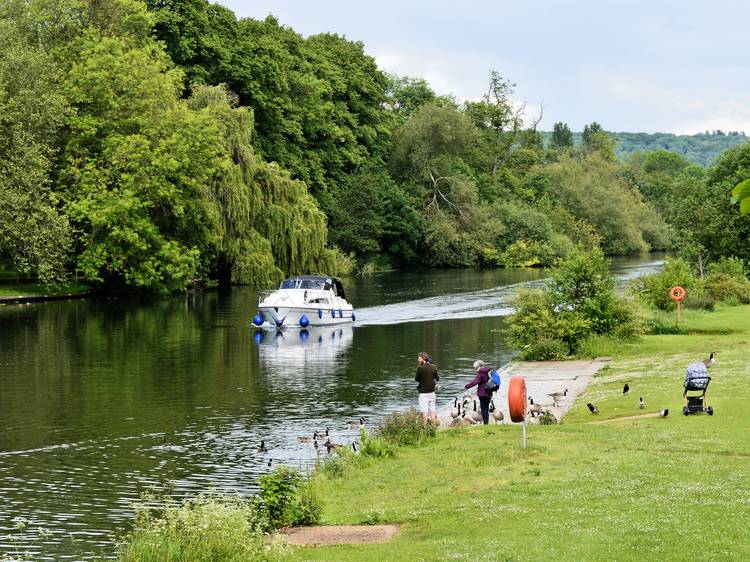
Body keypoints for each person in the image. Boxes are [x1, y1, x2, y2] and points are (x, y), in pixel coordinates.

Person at [465, 360, 493, 424]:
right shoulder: (488, 371)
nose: (476, 370)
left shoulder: (481, 373)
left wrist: (467, 386)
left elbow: (475, 382)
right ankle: (487, 423)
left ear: (480, 366)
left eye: (476, 368)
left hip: (483, 394)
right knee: (486, 408)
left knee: (483, 409)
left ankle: (486, 424)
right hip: (489, 393)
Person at [415, 351, 439, 425]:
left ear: (423, 358)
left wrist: (423, 380)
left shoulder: (420, 368)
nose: (418, 360)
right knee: (432, 410)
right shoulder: (433, 367)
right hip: (432, 392)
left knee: (424, 411)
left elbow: (416, 379)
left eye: (419, 358)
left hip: (423, 393)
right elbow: (437, 378)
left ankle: (425, 428)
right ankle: (434, 427)